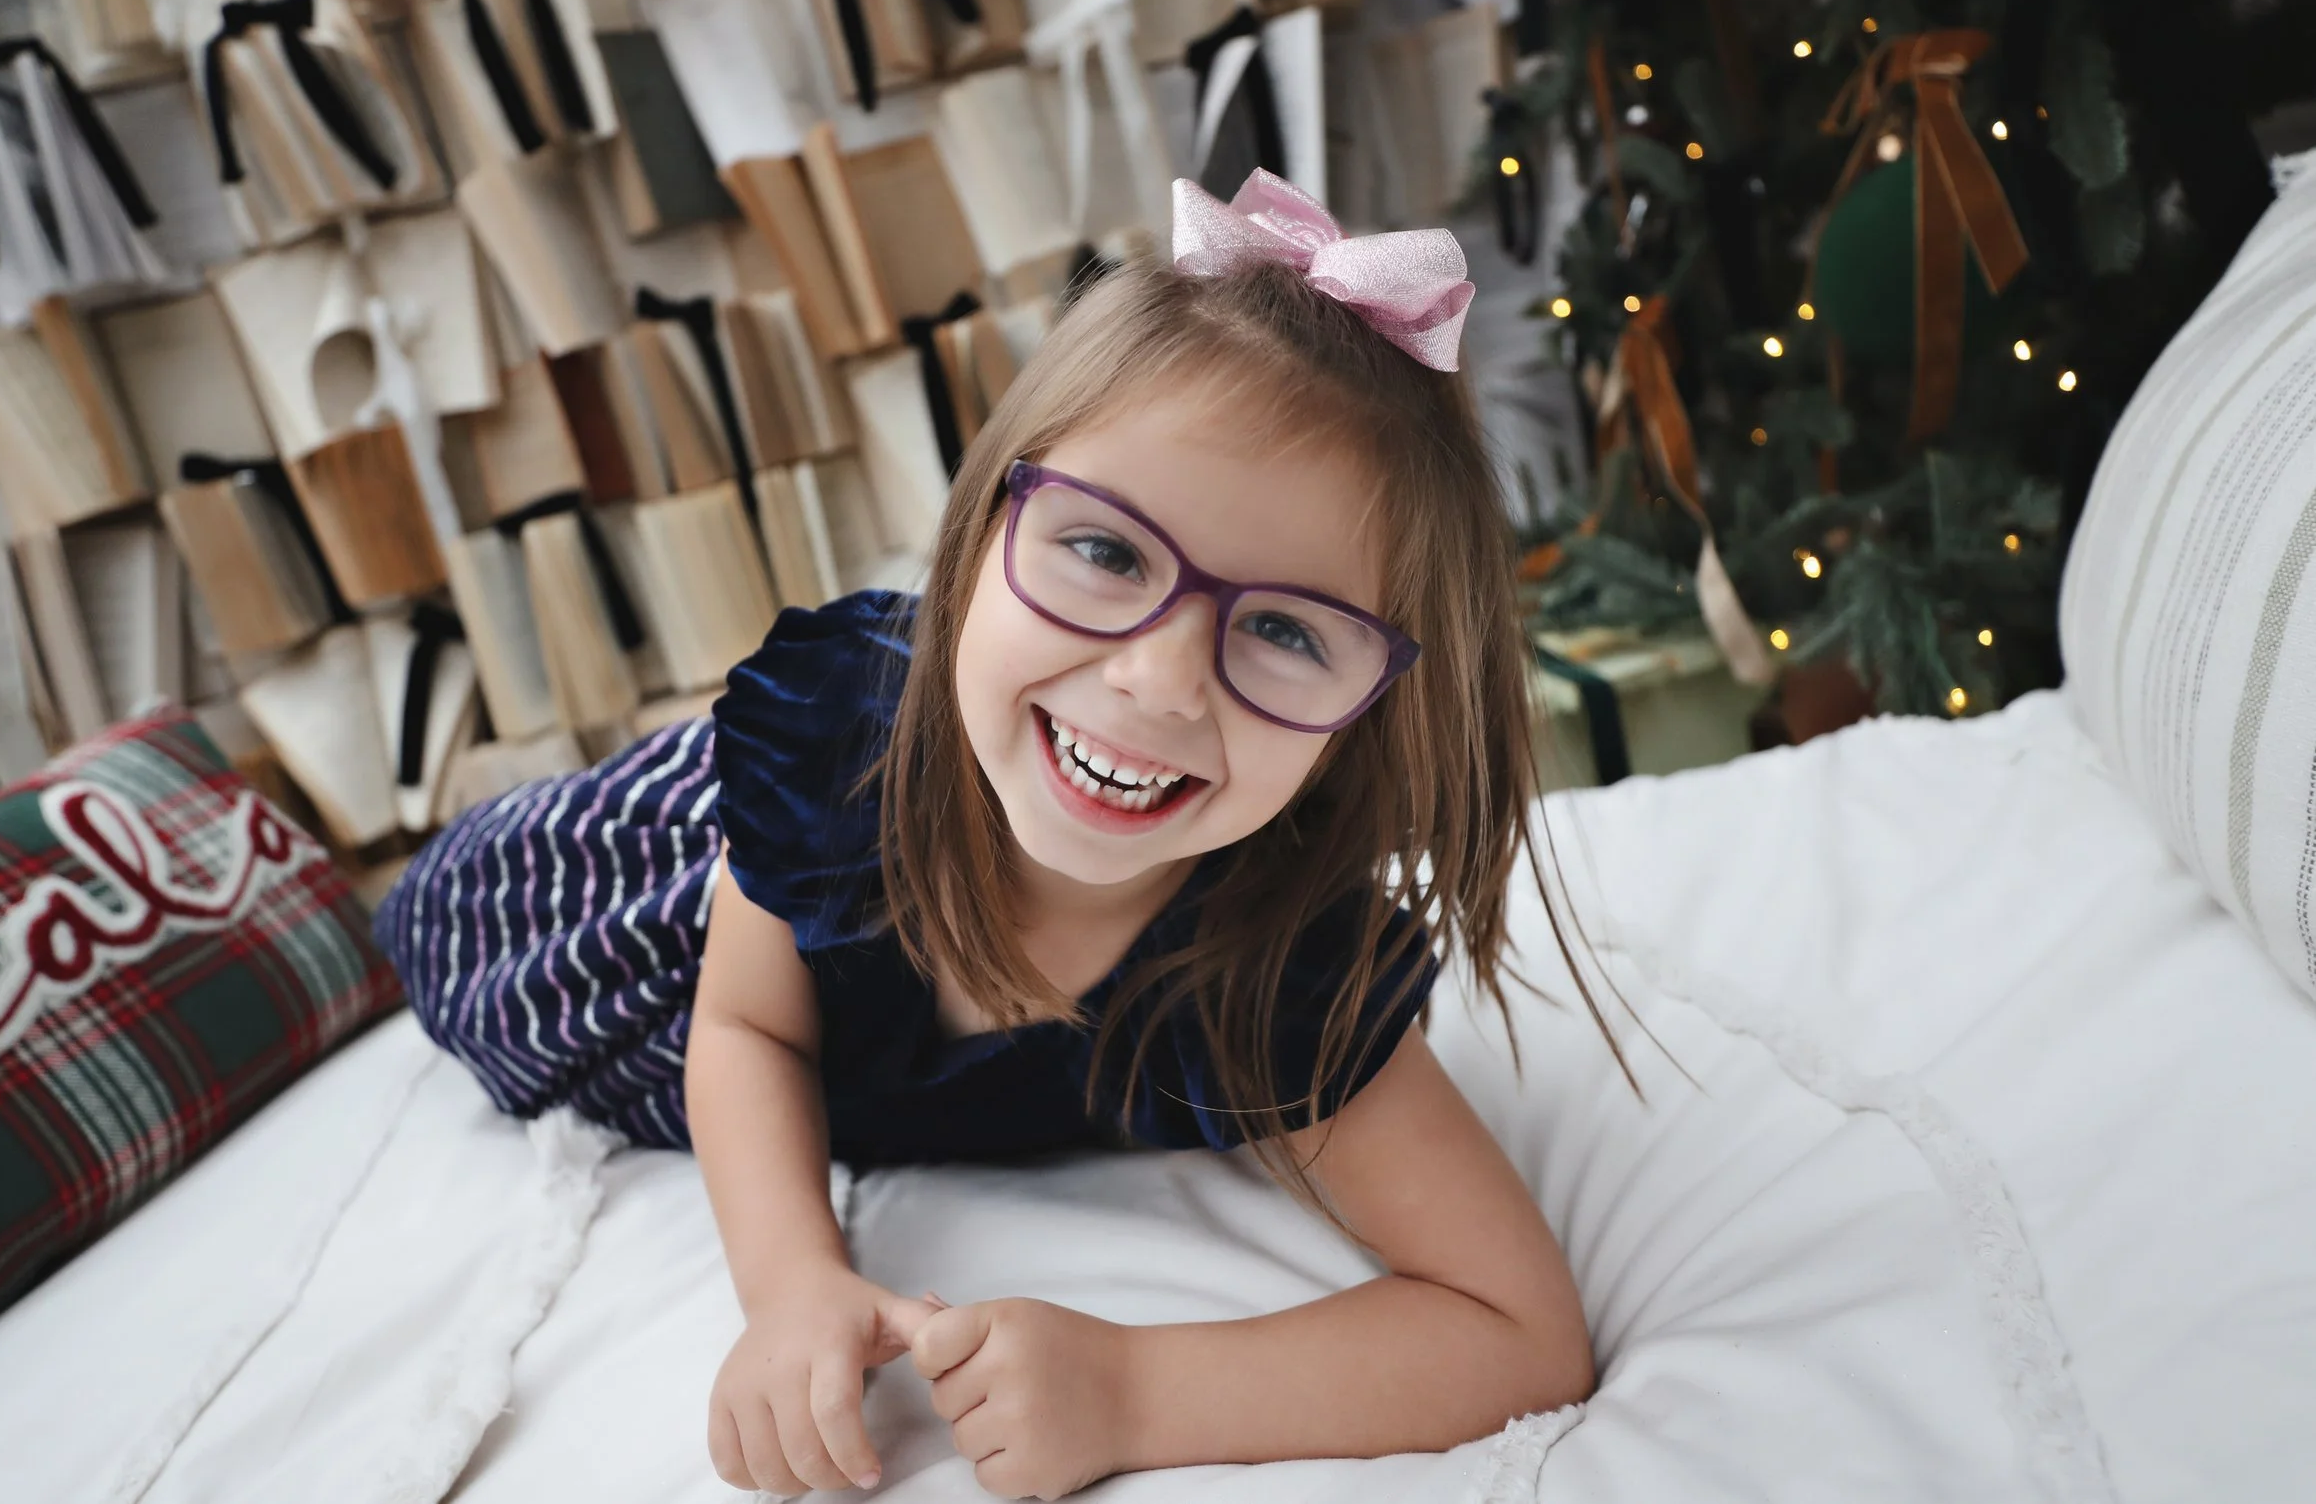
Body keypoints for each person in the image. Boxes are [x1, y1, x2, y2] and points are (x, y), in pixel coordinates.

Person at [374, 170, 1606, 1499]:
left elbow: (1519, 1329)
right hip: (654, 895)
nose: (1162, 679)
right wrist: (792, 1285)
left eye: (1289, 631)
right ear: (973, 543)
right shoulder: (838, 750)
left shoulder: (1289, 969)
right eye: (1105, 552)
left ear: (1361, 719)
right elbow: (744, 1028)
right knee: (418, 935)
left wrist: (1136, 1389)